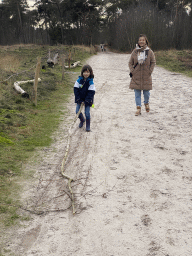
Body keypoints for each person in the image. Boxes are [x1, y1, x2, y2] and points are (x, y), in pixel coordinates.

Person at [128, 34, 156, 116]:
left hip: (146, 76)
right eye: (140, 40)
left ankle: (146, 103)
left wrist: (150, 71)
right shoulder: (135, 52)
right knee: (137, 94)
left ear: (145, 41)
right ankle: (138, 108)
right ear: (138, 41)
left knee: (146, 93)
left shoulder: (149, 52)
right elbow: (130, 63)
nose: (141, 41)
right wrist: (132, 71)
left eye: (143, 40)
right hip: (136, 76)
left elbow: (153, 62)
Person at [74, 64, 95, 132]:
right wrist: (78, 99)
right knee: (77, 111)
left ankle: (88, 125)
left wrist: (87, 100)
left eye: (88, 72)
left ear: (90, 73)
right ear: (82, 73)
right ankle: (82, 120)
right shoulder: (79, 81)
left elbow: (91, 92)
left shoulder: (90, 82)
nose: (86, 74)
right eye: (85, 72)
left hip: (87, 100)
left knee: (87, 113)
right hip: (80, 99)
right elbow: (76, 90)